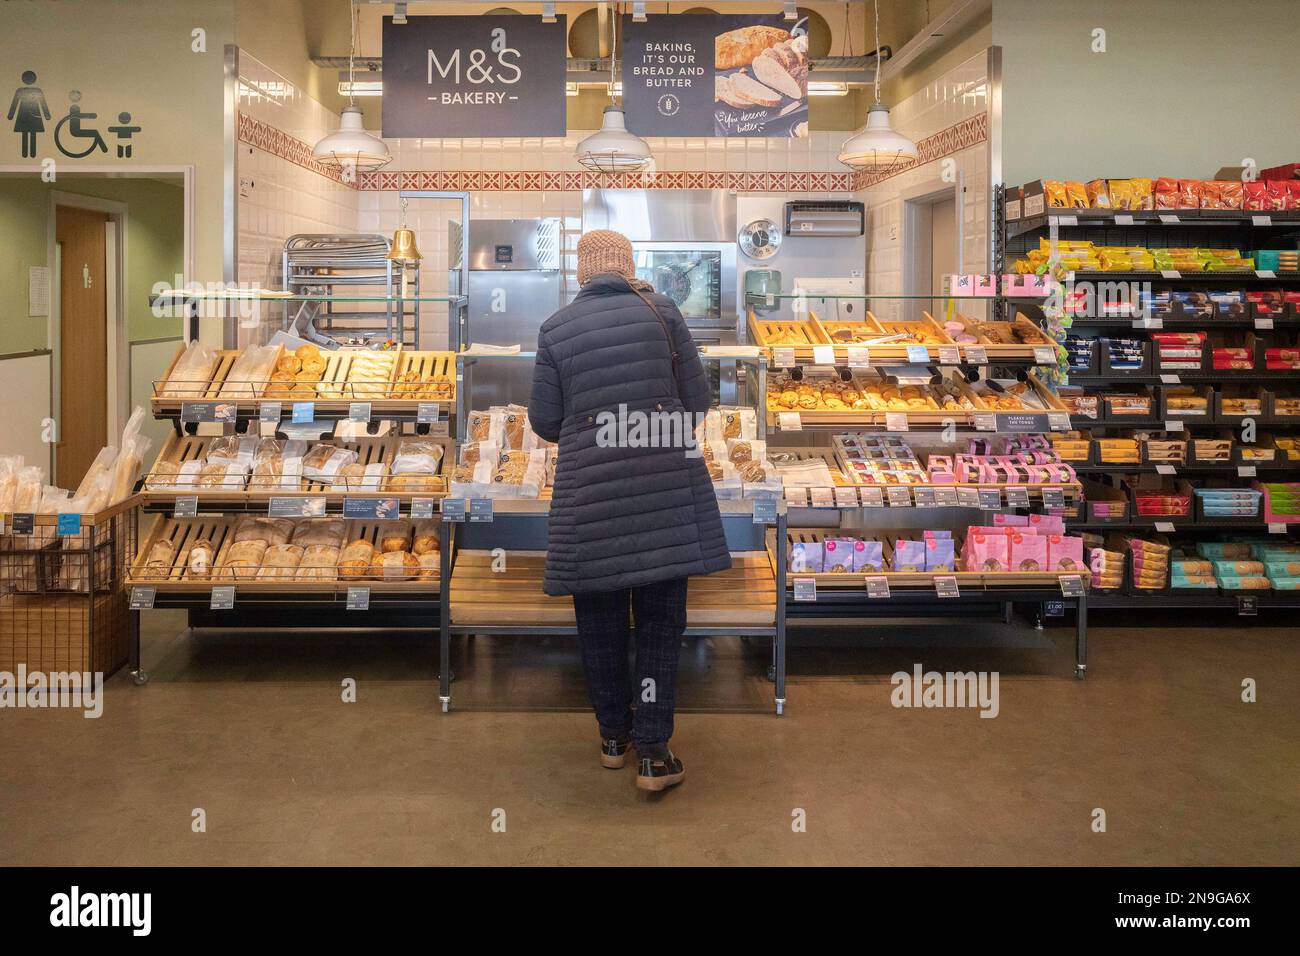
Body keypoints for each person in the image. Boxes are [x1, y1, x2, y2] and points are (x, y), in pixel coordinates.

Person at [529, 229, 731, 793]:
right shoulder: (663, 312)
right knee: (662, 626)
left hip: (590, 495)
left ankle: (613, 738)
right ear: (630, 266)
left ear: (581, 272)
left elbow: (545, 422)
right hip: (665, 490)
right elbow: (697, 402)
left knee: (600, 625)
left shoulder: (556, 328)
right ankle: (654, 753)